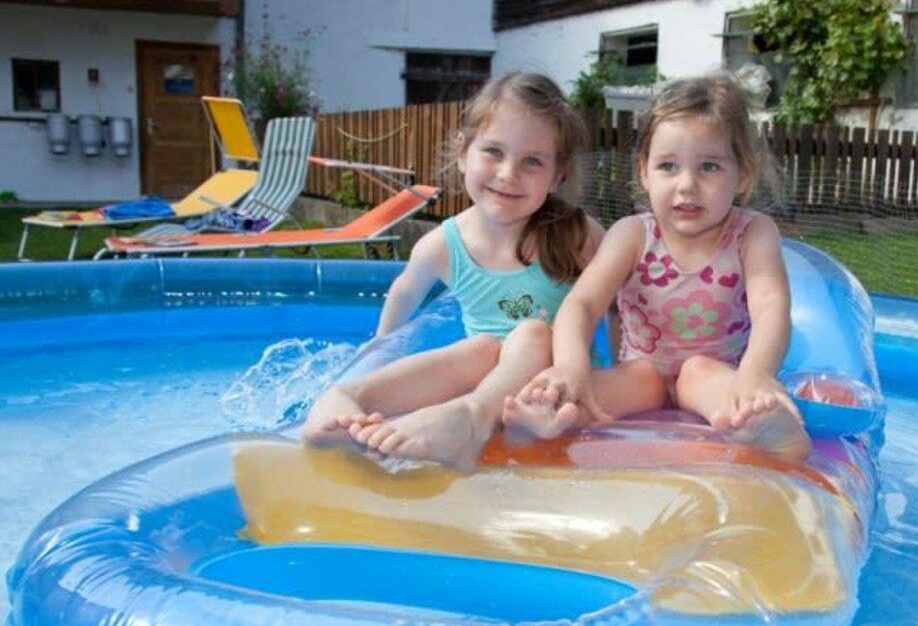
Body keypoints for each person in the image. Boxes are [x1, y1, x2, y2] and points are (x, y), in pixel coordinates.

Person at [301, 72, 652, 468]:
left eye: (532, 162)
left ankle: (470, 418)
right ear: (463, 152)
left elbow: (618, 301)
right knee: (481, 348)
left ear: (558, 174)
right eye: (493, 152)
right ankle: (356, 394)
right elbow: (403, 292)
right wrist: (378, 349)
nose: (507, 174)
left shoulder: (578, 234)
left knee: (533, 333)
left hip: (546, 393)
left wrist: (621, 365)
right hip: (487, 380)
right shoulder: (443, 245)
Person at [503, 73, 811, 463]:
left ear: (743, 175)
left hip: (713, 381)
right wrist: (569, 366)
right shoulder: (632, 235)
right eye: (668, 166)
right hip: (640, 380)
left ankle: (761, 429)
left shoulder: (751, 233)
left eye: (710, 167)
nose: (687, 185)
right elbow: (581, 303)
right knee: (625, 381)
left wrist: (755, 374)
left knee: (701, 374)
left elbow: (770, 304)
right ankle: (550, 420)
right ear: (644, 172)